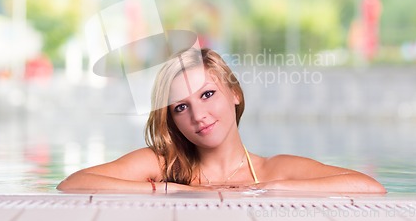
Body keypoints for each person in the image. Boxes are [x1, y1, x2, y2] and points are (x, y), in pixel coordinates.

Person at [57, 48, 386, 193]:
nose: (198, 116)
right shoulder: (162, 165)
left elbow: (369, 187)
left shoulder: (272, 171)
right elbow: (73, 184)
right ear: (171, 119)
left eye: (207, 94)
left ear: (234, 94)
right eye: (180, 107)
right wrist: (174, 191)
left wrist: (271, 189)